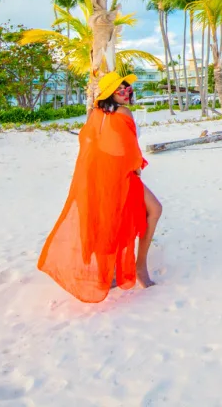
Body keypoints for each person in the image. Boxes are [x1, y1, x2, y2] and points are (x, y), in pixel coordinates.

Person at [38, 72, 162, 303]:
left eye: (128, 89)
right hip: (120, 175)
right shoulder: (123, 113)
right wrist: (135, 167)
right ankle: (139, 267)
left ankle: (116, 271)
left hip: (99, 177)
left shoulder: (97, 114)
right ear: (110, 95)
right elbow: (128, 148)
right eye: (121, 90)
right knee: (153, 210)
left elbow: (89, 143)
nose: (127, 93)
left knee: (110, 220)